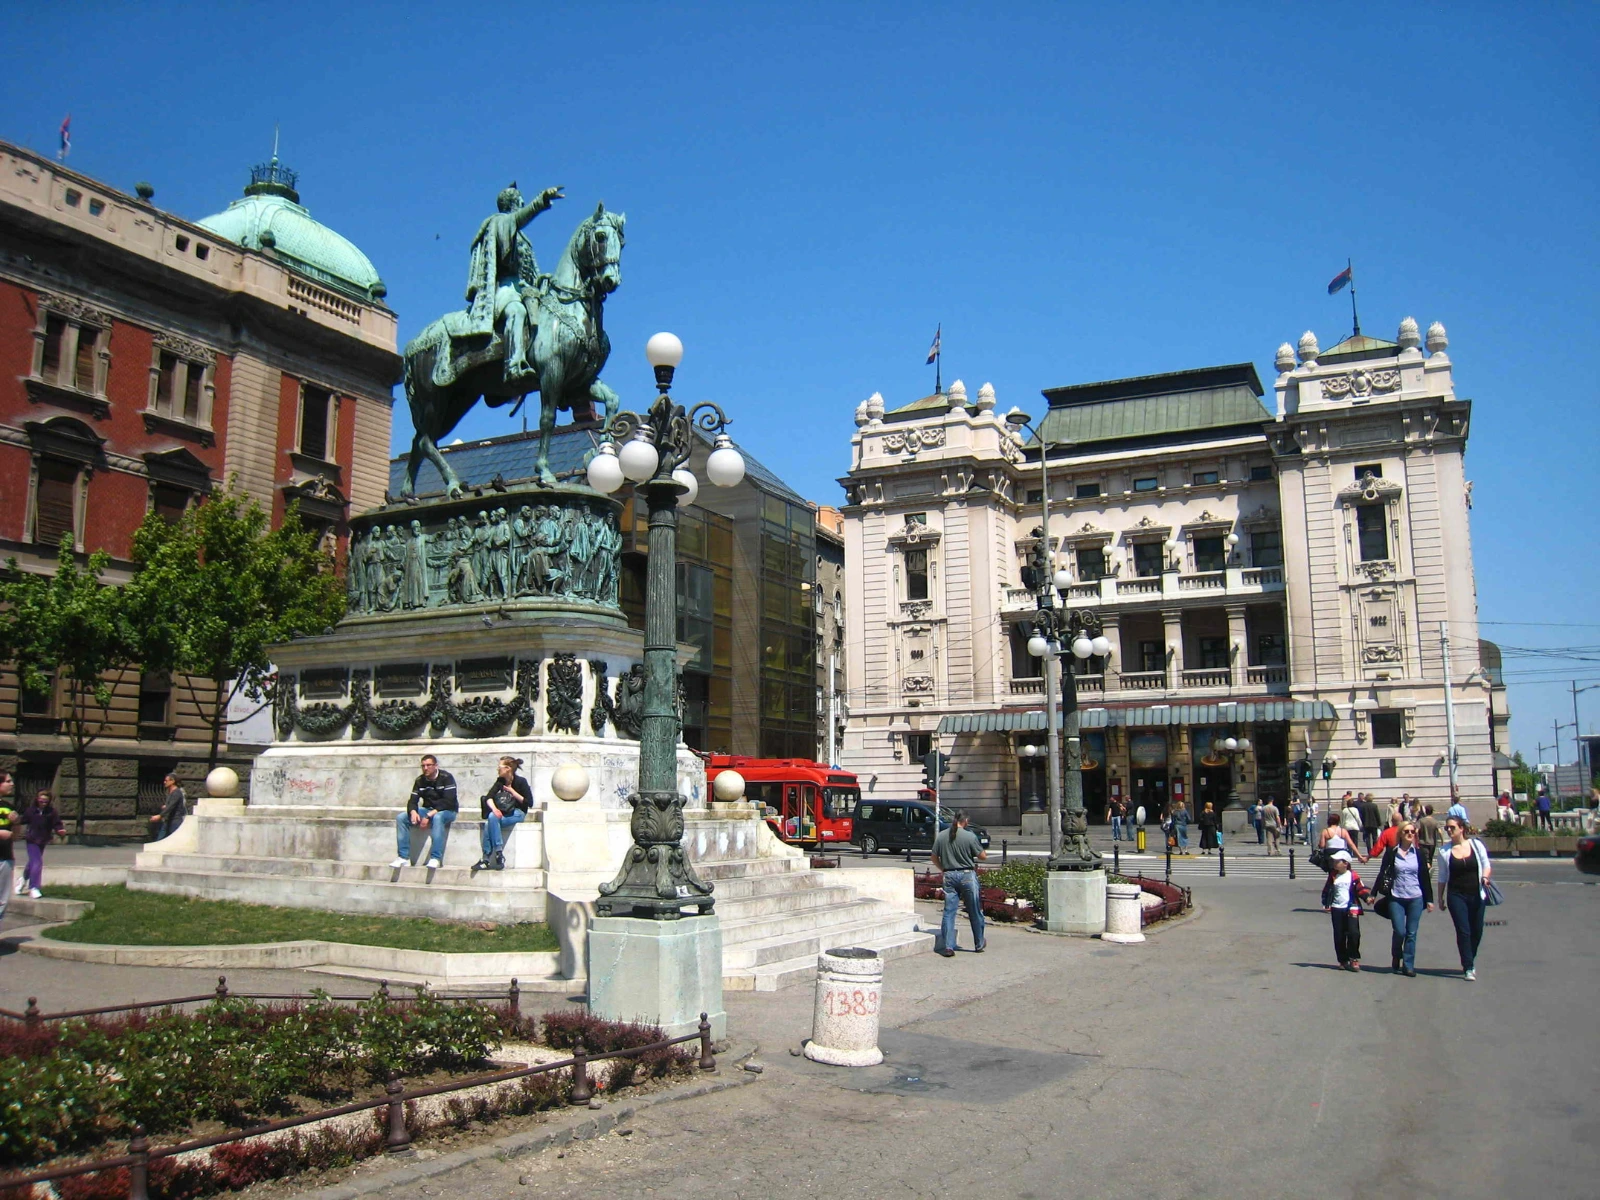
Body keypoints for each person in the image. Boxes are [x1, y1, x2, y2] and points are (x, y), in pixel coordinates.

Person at [1372, 821, 1433, 976]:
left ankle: (1408, 965)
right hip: (1396, 897)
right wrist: (1373, 893)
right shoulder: (1392, 853)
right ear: (1400, 834)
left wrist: (1429, 899)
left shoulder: (1418, 853)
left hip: (1415, 897)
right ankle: (1396, 954)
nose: (1410, 834)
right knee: (1400, 931)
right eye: (1406, 831)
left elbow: (1425, 877)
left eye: (1412, 831)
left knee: (1411, 933)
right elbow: (1382, 873)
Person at [1436, 816, 1492, 981]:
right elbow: (1442, 876)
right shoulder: (1444, 851)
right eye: (1447, 828)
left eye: (1452, 827)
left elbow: (1486, 864)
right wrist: (1440, 897)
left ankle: (1470, 957)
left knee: (1477, 930)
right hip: (1456, 896)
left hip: (1476, 894)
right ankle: (1468, 966)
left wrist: (1485, 877)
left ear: (1461, 829)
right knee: (1463, 931)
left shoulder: (1476, 845)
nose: (1449, 830)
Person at [932, 809, 987, 956]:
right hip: (967, 874)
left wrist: (943, 869)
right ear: (966, 821)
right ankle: (979, 943)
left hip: (949, 875)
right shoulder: (970, 836)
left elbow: (934, 857)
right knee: (974, 910)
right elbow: (982, 856)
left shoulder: (942, 835)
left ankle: (948, 946)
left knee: (949, 912)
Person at [391, 754, 459, 869]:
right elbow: (412, 800)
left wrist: (428, 816)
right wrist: (413, 811)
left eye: (428, 765)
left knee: (438, 817)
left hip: (447, 811)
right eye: (423, 766)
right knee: (401, 818)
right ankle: (403, 857)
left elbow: (449, 801)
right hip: (428, 809)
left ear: (436, 766)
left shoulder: (446, 777)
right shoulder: (420, 780)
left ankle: (435, 858)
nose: (425, 768)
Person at [475, 756, 533, 871]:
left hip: (518, 812)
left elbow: (529, 803)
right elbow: (489, 797)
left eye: (499, 767)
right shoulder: (500, 781)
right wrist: (494, 809)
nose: (497, 769)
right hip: (503, 813)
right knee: (491, 818)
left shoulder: (521, 781)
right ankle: (498, 853)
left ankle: (486, 859)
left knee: (489, 823)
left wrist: (512, 791)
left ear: (507, 768)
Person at [1321, 851, 1369, 970]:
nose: (1334, 863)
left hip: (1352, 907)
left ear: (1345, 863)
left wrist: (1367, 897)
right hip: (1337, 908)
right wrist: (1326, 903)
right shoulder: (1333, 875)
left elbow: (1360, 888)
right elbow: (1327, 890)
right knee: (1339, 935)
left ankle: (1353, 957)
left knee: (1354, 933)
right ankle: (1343, 960)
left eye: (1337, 861)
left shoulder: (1353, 875)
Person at [19, 789, 65, 899]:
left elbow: (57, 824)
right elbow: (22, 820)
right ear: (37, 799)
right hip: (32, 840)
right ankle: (34, 887)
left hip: (43, 840)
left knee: (32, 863)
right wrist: (14, 820)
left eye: (46, 801)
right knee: (37, 862)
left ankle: (23, 880)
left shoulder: (51, 812)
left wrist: (60, 830)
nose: (43, 803)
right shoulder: (31, 811)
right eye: (41, 800)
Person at [148, 774, 187, 841]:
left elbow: (171, 806)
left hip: (175, 821)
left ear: (172, 781)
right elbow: (170, 805)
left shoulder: (176, 792)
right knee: (160, 840)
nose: (164, 782)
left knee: (174, 840)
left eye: (166, 780)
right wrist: (166, 806)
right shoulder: (170, 792)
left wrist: (160, 816)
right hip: (168, 820)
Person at [0, 771, 15, 918]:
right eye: (8, 781)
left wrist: (16, 822)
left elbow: (15, 836)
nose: (12, 784)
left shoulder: (8, 806)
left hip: (6, 857)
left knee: (2, 900)